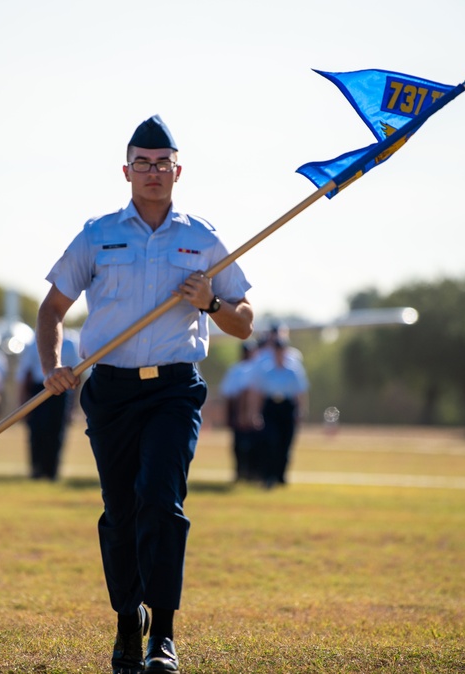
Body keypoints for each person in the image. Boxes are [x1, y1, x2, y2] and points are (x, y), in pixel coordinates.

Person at [37, 114, 254, 674]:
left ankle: (164, 633)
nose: (153, 173)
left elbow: (245, 321)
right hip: (109, 391)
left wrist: (209, 302)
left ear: (178, 170)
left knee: (160, 500)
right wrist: (52, 367)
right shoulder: (97, 233)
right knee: (121, 511)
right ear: (126, 170)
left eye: (162, 164)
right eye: (142, 163)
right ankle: (126, 624)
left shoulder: (201, 238)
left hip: (174, 392)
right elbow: (52, 310)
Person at [16, 329, 80, 480]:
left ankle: (52, 471)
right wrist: (22, 402)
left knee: (56, 432)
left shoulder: (70, 344)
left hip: (62, 390)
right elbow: (25, 374)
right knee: (37, 431)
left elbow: (76, 374)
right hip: (40, 389)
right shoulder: (33, 343)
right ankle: (36, 470)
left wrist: (73, 406)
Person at [250, 337, 308, 489]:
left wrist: (300, 411)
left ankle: (281, 476)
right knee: (270, 441)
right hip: (271, 407)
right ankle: (268, 475)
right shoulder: (266, 371)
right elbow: (260, 394)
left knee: (285, 442)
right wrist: (256, 413)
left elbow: (299, 393)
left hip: (286, 408)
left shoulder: (293, 371)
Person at [218, 340, 260, 481]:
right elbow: (230, 393)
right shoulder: (238, 369)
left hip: (253, 408)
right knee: (241, 444)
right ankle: (242, 472)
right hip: (240, 409)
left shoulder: (253, 368)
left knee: (251, 444)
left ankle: (250, 472)